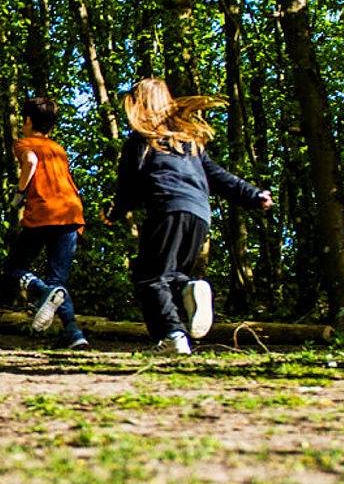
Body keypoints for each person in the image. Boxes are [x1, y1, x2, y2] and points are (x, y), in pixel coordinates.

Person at [112, 80, 272, 356]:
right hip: (198, 213)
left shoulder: (142, 141)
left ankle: (172, 335)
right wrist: (253, 195)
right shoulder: (189, 144)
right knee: (171, 275)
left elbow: (129, 183)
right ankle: (189, 287)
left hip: (166, 208)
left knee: (150, 277)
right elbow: (219, 177)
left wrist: (115, 212)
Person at [8, 94, 90, 351]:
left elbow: (30, 161)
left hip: (44, 212)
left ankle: (42, 291)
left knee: (15, 268)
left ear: (28, 121)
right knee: (59, 281)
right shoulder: (58, 148)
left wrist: (19, 194)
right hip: (70, 213)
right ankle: (74, 334)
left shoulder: (23, 143)